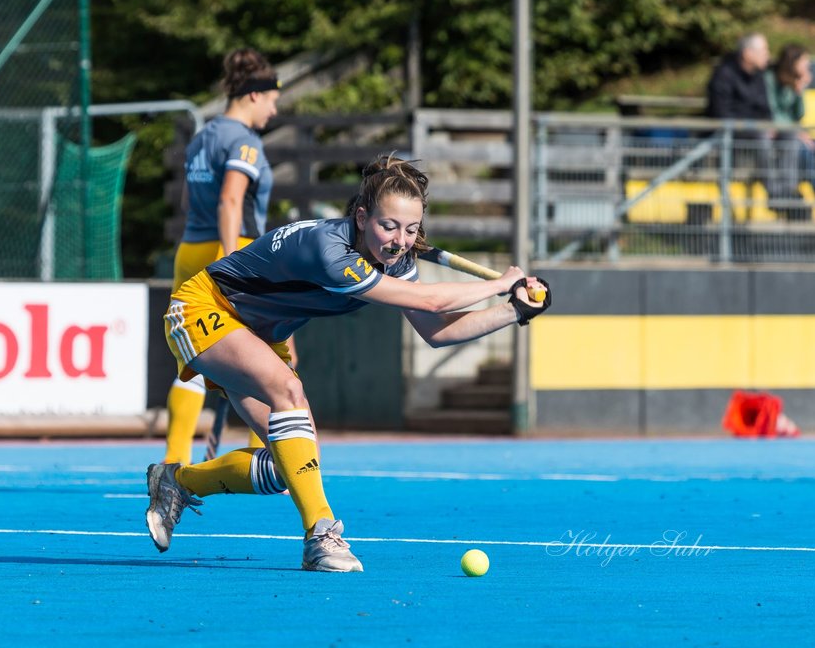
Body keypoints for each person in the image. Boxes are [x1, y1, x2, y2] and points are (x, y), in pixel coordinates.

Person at [144, 154, 551, 572]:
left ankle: (176, 481)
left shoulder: (397, 259)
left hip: (260, 334)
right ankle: (321, 536)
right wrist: (501, 283)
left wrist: (513, 310)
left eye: (411, 230)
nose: (400, 240)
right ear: (361, 217)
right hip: (203, 308)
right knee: (290, 392)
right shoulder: (329, 250)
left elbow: (437, 330)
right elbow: (430, 299)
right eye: (388, 226)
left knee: (291, 467)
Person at [161, 48, 282, 466]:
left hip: (191, 250)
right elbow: (231, 200)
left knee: (194, 361)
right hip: (232, 248)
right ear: (253, 95)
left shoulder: (202, 137)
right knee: (256, 357)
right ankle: (268, 455)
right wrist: (235, 267)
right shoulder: (244, 142)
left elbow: (187, 198)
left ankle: (174, 462)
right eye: (271, 98)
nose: (274, 108)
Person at [705, 33, 797, 214]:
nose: (768, 55)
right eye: (764, 50)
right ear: (747, 54)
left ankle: (788, 191)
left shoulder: (759, 76)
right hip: (732, 139)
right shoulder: (724, 75)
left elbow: (765, 109)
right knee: (761, 136)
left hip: (757, 132)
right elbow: (722, 114)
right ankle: (775, 194)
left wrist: (769, 125)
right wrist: (756, 125)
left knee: (789, 135)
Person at [765, 43, 815, 202]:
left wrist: (800, 90)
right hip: (779, 134)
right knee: (804, 149)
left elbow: (799, 114)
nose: (808, 66)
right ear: (793, 62)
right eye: (804, 62)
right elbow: (772, 113)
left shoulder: (794, 83)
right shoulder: (770, 79)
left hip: (792, 132)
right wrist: (797, 132)